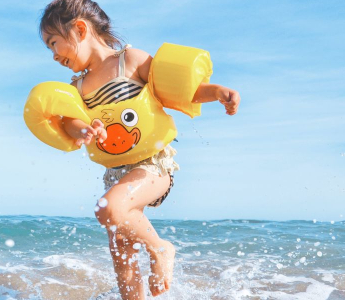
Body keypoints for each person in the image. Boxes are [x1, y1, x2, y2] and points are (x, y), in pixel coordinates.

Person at [38, 0, 240, 299]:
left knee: (108, 208)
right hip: (116, 173)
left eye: (54, 43)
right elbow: (71, 122)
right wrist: (84, 130)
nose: (54, 56)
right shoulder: (77, 87)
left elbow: (179, 90)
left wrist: (217, 92)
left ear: (80, 29)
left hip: (153, 165)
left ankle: (161, 249)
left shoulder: (130, 60)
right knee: (122, 258)